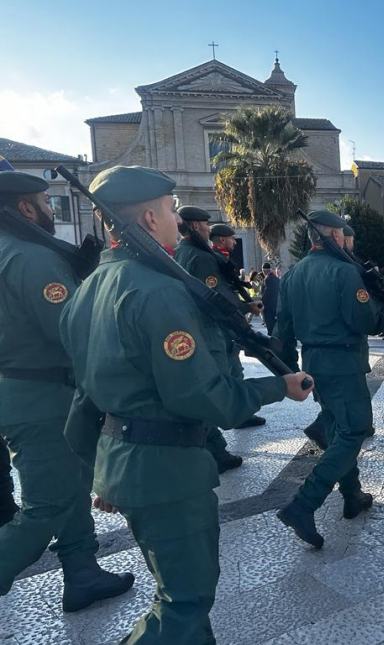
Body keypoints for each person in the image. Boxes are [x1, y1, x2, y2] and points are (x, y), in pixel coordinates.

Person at [60, 165, 313, 643]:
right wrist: (282, 387)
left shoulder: (87, 291)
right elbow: (206, 397)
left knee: (181, 598)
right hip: (167, 473)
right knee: (184, 603)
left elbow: (85, 396)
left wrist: (105, 469)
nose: (178, 221)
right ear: (151, 219)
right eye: (172, 212)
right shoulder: (158, 294)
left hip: (130, 466)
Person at [0, 170, 134, 611]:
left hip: (23, 392)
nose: (48, 210)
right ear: (24, 208)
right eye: (43, 201)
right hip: (41, 397)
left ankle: (82, 573)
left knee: (70, 484)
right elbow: (71, 332)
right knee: (46, 507)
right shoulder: (32, 259)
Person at [275, 210, 384, 548]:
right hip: (344, 362)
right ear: (334, 236)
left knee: (337, 428)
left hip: (314, 363)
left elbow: (283, 330)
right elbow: (363, 320)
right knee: (354, 431)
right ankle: (304, 503)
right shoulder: (345, 272)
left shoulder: (292, 275)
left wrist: (290, 371)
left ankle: (352, 494)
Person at [173, 205, 245, 473]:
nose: (208, 229)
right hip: (210, 330)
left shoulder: (180, 252)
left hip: (193, 329)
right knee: (214, 388)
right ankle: (214, 450)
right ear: (194, 226)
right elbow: (216, 298)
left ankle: (215, 447)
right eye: (204, 225)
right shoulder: (201, 258)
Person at [208, 223, 267, 429]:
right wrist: (246, 307)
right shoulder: (210, 260)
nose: (235, 241)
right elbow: (220, 297)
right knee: (227, 373)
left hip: (228, 328)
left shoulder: (220, 258)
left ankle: (241, 414)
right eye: (231, 238)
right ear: (222, 239)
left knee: (235, 370)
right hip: (221, 328)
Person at [261, 262, 280, 335]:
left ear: (264, 270)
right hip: (276, 305)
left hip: (268, 306)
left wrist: (262, 302)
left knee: (270, 325)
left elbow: (267, 293)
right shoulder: (276, 279)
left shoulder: (267, 279)